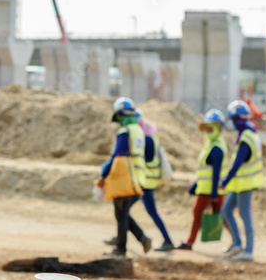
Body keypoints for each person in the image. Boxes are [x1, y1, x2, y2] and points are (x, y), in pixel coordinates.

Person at [163, 109, 228, 251]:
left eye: (212, 127)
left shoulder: (217, 147)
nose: (208, 129)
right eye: (207, 126)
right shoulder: (209, 144)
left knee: (220, 216)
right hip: (205, 188)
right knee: (209, 214)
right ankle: (190, 242)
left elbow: (216, 173)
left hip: (211, 190)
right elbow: (205, 171)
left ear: (219, 128)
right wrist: (196, 185)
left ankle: (190, 242)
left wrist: (214, 193)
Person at [96, 97, 153, 257]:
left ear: (120, 116)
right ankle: (142, 238)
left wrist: (104, 175)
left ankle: (121, 249)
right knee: (123, 213)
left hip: (126, 180)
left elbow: (117, 157)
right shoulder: (139, 131)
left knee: (121, 215)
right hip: (139, 179)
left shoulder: (124, 132)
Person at [220, 100, 262, 262]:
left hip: (245, 184)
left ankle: (249, 251)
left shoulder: (246, 138)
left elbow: (237, 164)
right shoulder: (249, 134)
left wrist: (225, 181)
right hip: (239, 184)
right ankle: (237, 244)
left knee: (245, 217)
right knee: (226, 211)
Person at [135, 109, 176, 251]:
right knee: (124, 210)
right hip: (149, 181)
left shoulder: (144, 140)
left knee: (126, 210)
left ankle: (167, 240)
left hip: (144, 182)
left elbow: (142, 160)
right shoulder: (153, 137)